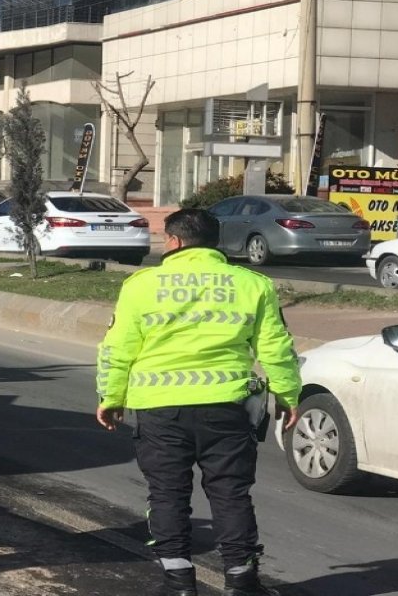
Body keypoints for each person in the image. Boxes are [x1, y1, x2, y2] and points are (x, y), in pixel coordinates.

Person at [95, 209, 301, 596]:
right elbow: (276, 349)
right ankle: (242, 583)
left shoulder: (142, 285)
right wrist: (288, 396)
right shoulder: (252, 284)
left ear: (172, 241)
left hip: (159, 409)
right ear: (215, 241)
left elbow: (118, 348)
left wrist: (111, 396)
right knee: (231, 493)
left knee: (168, 495)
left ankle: (178, 585)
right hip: (227, 407)